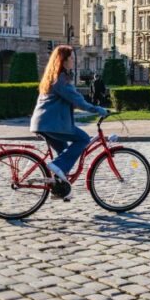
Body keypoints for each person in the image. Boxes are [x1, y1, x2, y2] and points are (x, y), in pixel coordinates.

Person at [30, 45, 108, 201]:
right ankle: (57, 168)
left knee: (64, 152)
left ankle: (59, 190)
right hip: (52, 124)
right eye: (71, 58)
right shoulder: (61, 79)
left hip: (44, 123)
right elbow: (77, 100)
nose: (73, 61)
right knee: (83, 139)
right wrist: (97, 109)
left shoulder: (54, 76)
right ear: (63, 60)